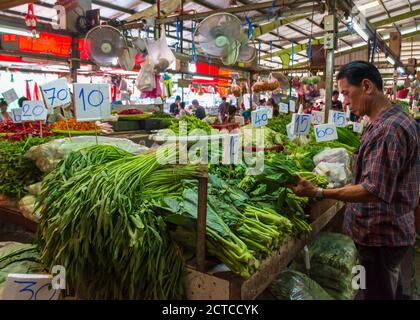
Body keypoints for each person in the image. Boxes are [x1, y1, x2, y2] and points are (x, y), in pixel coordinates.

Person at [290, 61, 420, 300]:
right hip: (389, 232)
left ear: (367, 86)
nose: (345, 101)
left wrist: (319, 192)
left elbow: (372, 189)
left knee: (377, 292)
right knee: (387, 286)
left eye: (347, 93)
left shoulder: (387, 130)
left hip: (380, 235)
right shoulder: (393, 120)